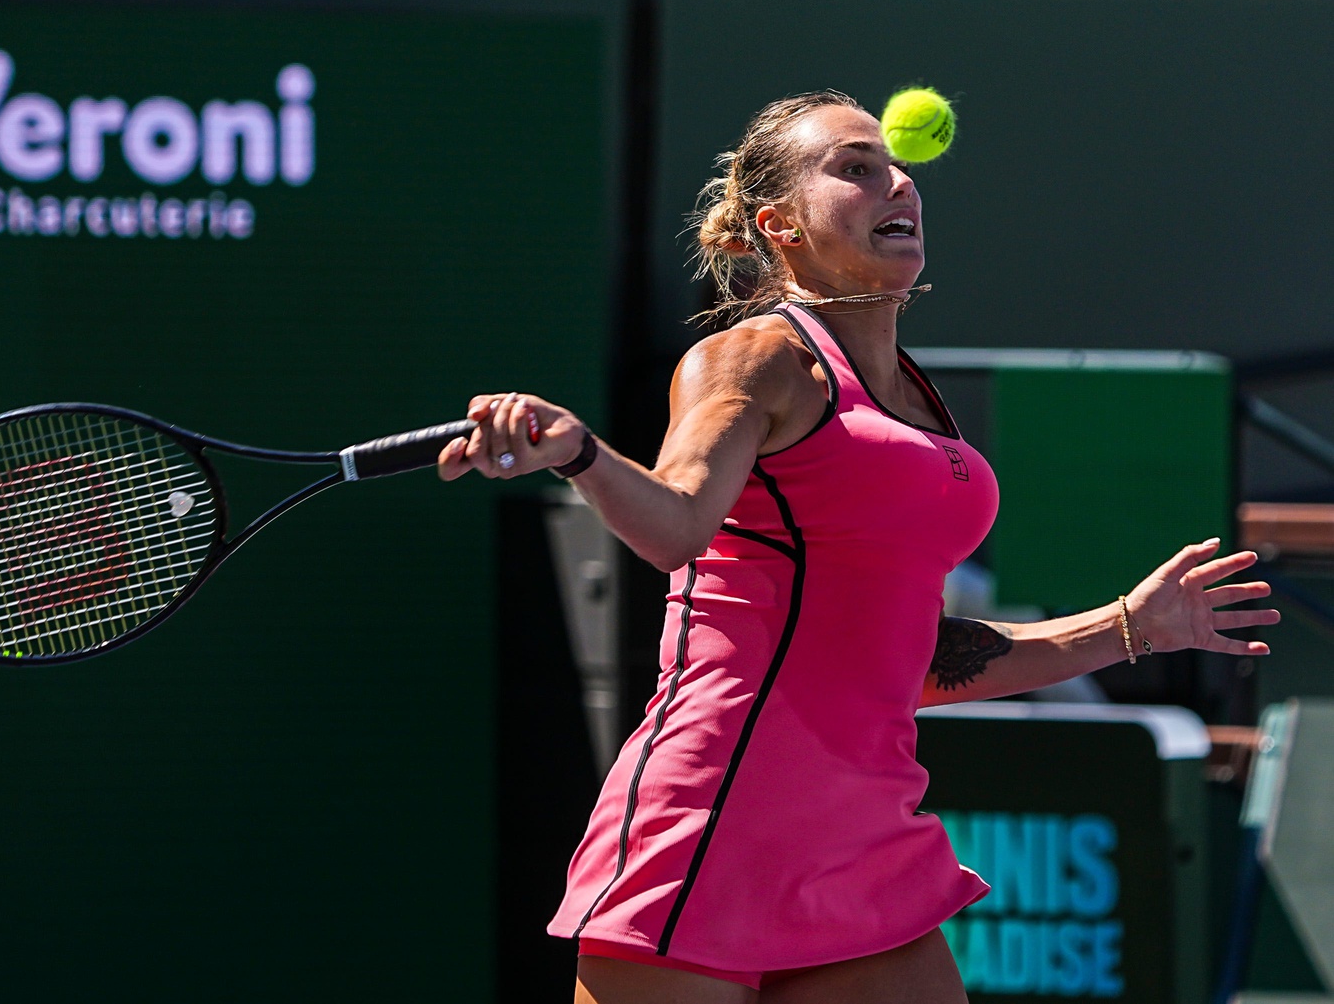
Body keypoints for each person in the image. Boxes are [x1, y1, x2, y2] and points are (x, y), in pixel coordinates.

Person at [437, 90, 1279, 1003]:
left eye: (899, 168)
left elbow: (914, 658)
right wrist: (582, 453)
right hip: (715, 812)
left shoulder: (915, 402)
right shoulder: (754, 359)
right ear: (781, 225)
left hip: (865, 833)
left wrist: (1129, 625)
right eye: (856, 169)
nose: (899, 183)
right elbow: (677, 525)